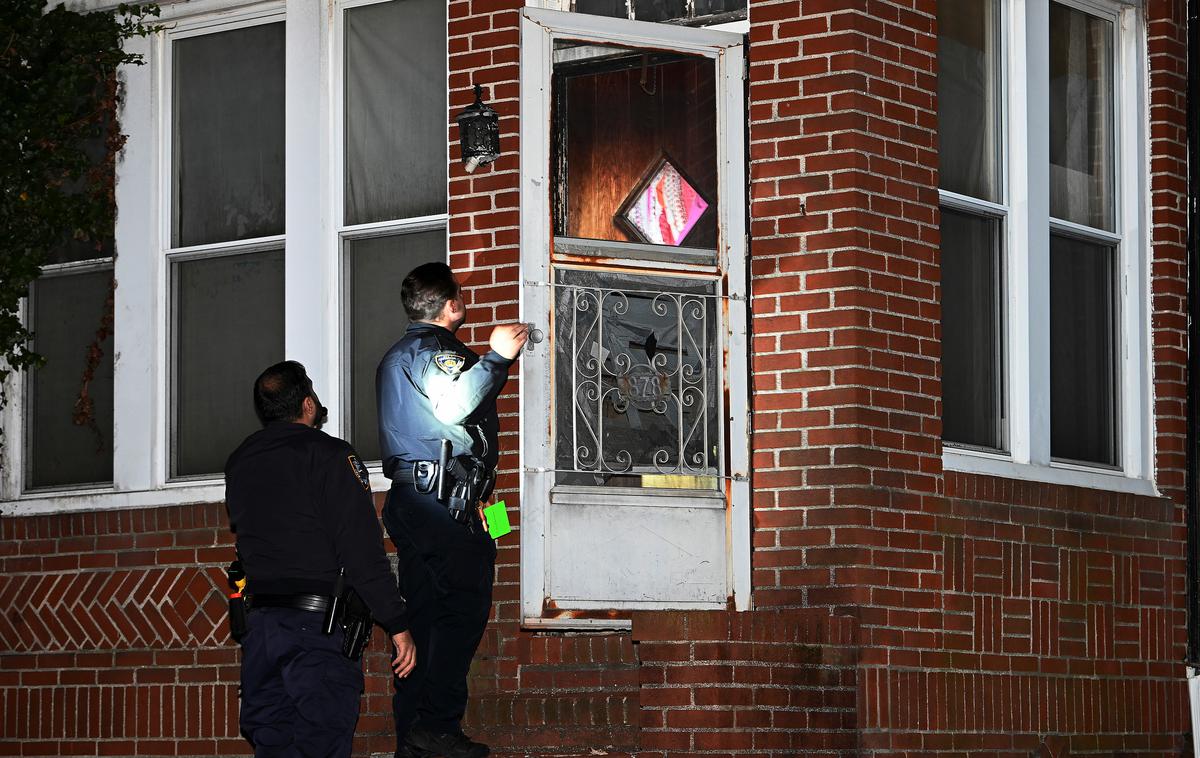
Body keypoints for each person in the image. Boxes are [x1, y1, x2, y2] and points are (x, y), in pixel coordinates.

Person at [225, 360, 417, 758]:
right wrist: (397, 624)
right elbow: (361, 549)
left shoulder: (240, 461)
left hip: (261, 631)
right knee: (321, 741)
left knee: (272, 742)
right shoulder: (330, 456)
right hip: (314, 632)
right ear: (308, 404)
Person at [376, 262, 528, 758]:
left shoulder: (400, 355)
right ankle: (436, 727)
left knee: (423, 619)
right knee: (462, 609)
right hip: (441, 502)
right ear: (451, 304)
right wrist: (498, 358)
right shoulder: (431, 351)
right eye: (460, 295)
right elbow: (455, 406)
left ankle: (415, 739)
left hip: (424, 500)